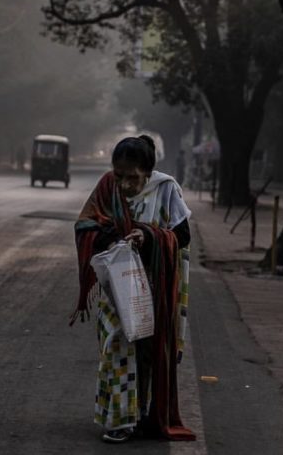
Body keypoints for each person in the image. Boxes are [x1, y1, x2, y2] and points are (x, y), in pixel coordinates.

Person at [73, 135, 195, 444]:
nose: (125, 184)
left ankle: (142, 414)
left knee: (148, 351)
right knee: (115, 345)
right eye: (119, 176)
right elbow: (86, 227)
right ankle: (118, 420)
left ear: (148, 172)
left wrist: (149, 236)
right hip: (117, 286)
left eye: (133, 177)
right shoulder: (106, 187)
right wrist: (115, 236)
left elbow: (182, 235)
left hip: (155, 285)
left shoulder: (166, 189)